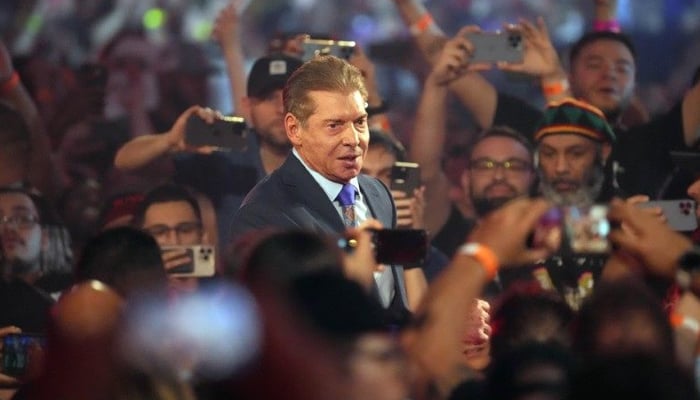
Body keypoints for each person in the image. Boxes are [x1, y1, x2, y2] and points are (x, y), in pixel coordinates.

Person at [230, 55, 411, 320]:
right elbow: (281, 329)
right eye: (334, 125)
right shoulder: (264, 215)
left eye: (360, 122)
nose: (353, 139)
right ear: (294, 129)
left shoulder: (378, 194)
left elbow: (393, 310)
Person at [114, 54, 303, 248]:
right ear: (247, 106)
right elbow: (126, 162)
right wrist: (169, 140)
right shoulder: (226, 156)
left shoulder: (331, 161)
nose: (281, 108)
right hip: (234, 277)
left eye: (291, 97)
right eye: (268, 97)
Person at [132, 184, 215, 295]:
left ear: (202, 236)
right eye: (159, 232)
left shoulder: (225, 294)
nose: (174, 241)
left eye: (185, 230)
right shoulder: (128, 293)